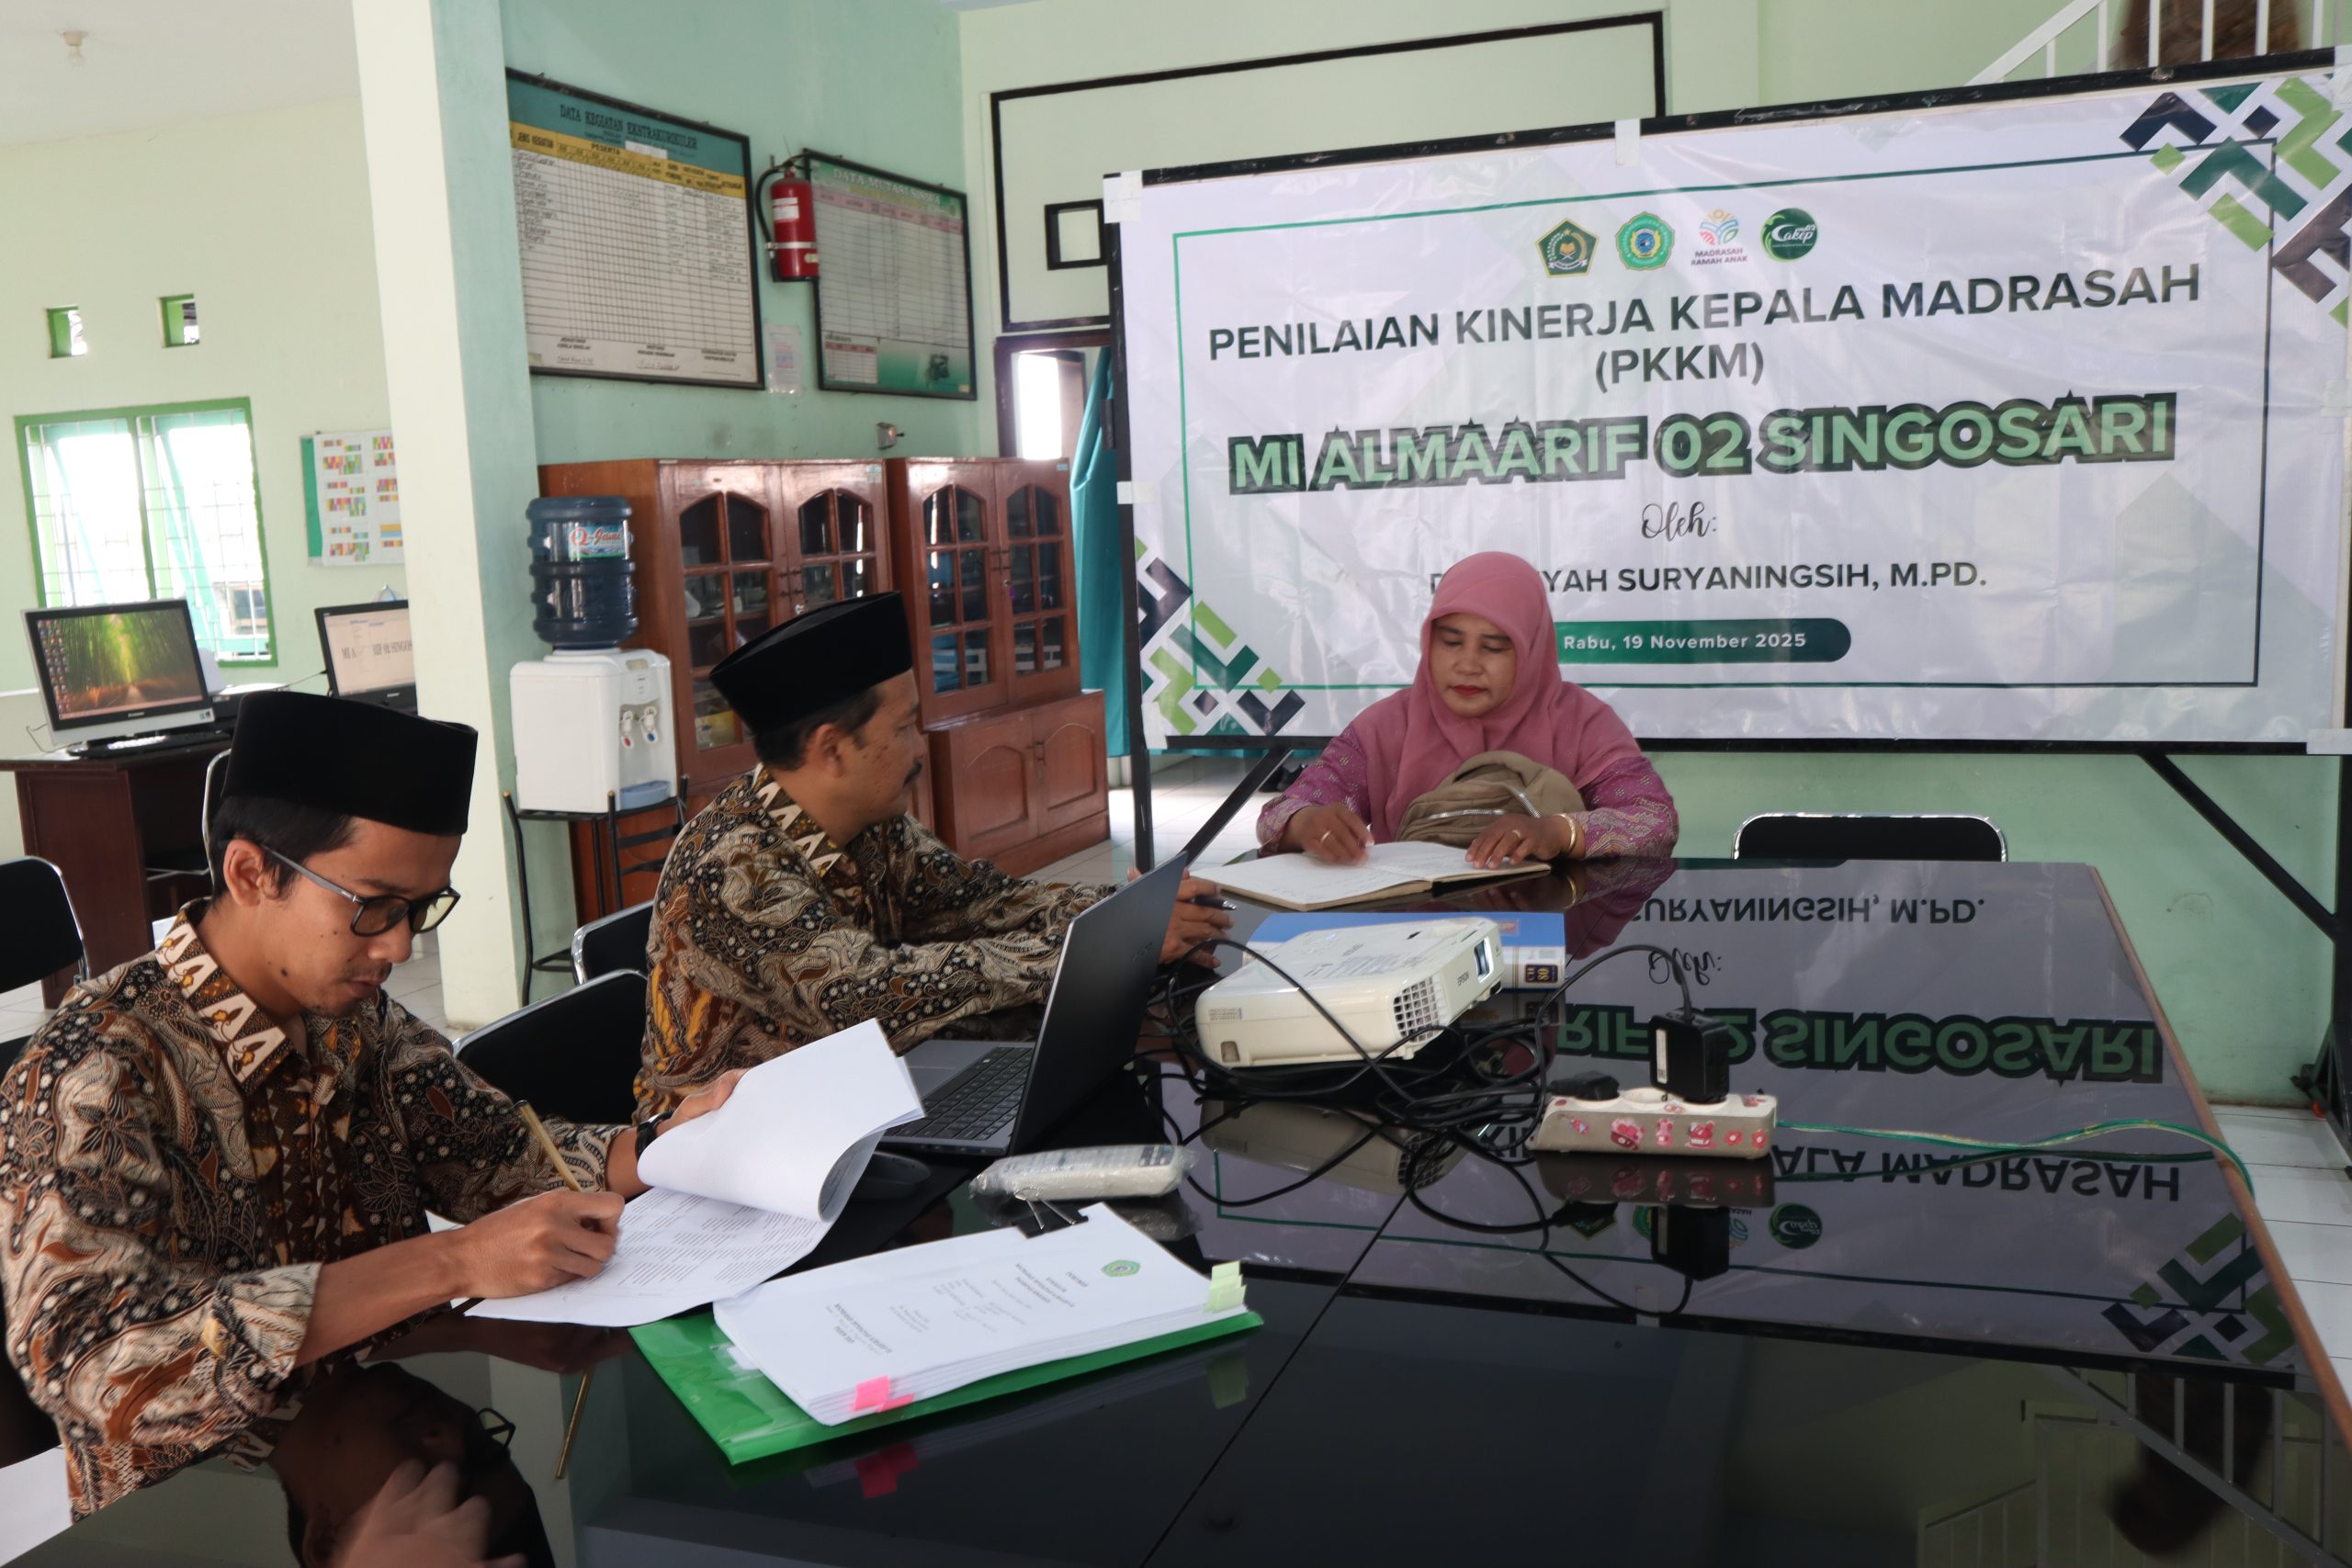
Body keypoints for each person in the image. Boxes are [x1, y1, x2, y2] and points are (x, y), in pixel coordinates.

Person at [0, 692, 737, 1518]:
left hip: (386, 1435)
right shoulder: (94, 1068)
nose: (399, 946)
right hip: (203, 1513)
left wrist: (665, 1143)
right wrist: (453, 1264)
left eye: (420, 908)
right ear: (250, 873)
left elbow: (488, 1150)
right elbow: (93, 1361)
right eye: (374, 907)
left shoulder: (354, 1016)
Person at [636, 592, 1230, 1118]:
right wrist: (1102, 949)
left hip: (857, 1100)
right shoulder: (729, 867)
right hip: (726, 1150)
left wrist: (1133, 911)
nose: (920, 749)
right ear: (832, 750)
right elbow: (867, 996)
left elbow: (988, 904)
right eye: (904, 728)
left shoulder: (872, 825)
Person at [1259, 552, 1678, 866]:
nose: (1468, 664)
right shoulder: (1387, 726)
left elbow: (1655, 822)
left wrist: (1558, 831)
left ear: (1531, 650)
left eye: (1493, 647)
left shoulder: (1581, 723)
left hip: (1536, 934)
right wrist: (1307, 823)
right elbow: (1280, 814)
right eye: (1451, 642)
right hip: (1411, 934)